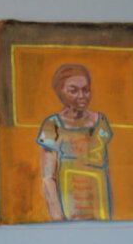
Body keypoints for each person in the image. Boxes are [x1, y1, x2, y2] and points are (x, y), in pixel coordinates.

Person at [37, 64, 113, 220]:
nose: (81, 96)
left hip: (98, 197)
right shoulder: (52, 125)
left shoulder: (101, 121)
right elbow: (47, 177)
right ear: (60, 92)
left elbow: (105, 165)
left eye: (85, 90)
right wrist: (57, 216)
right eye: (73, 91)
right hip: (69, 198)